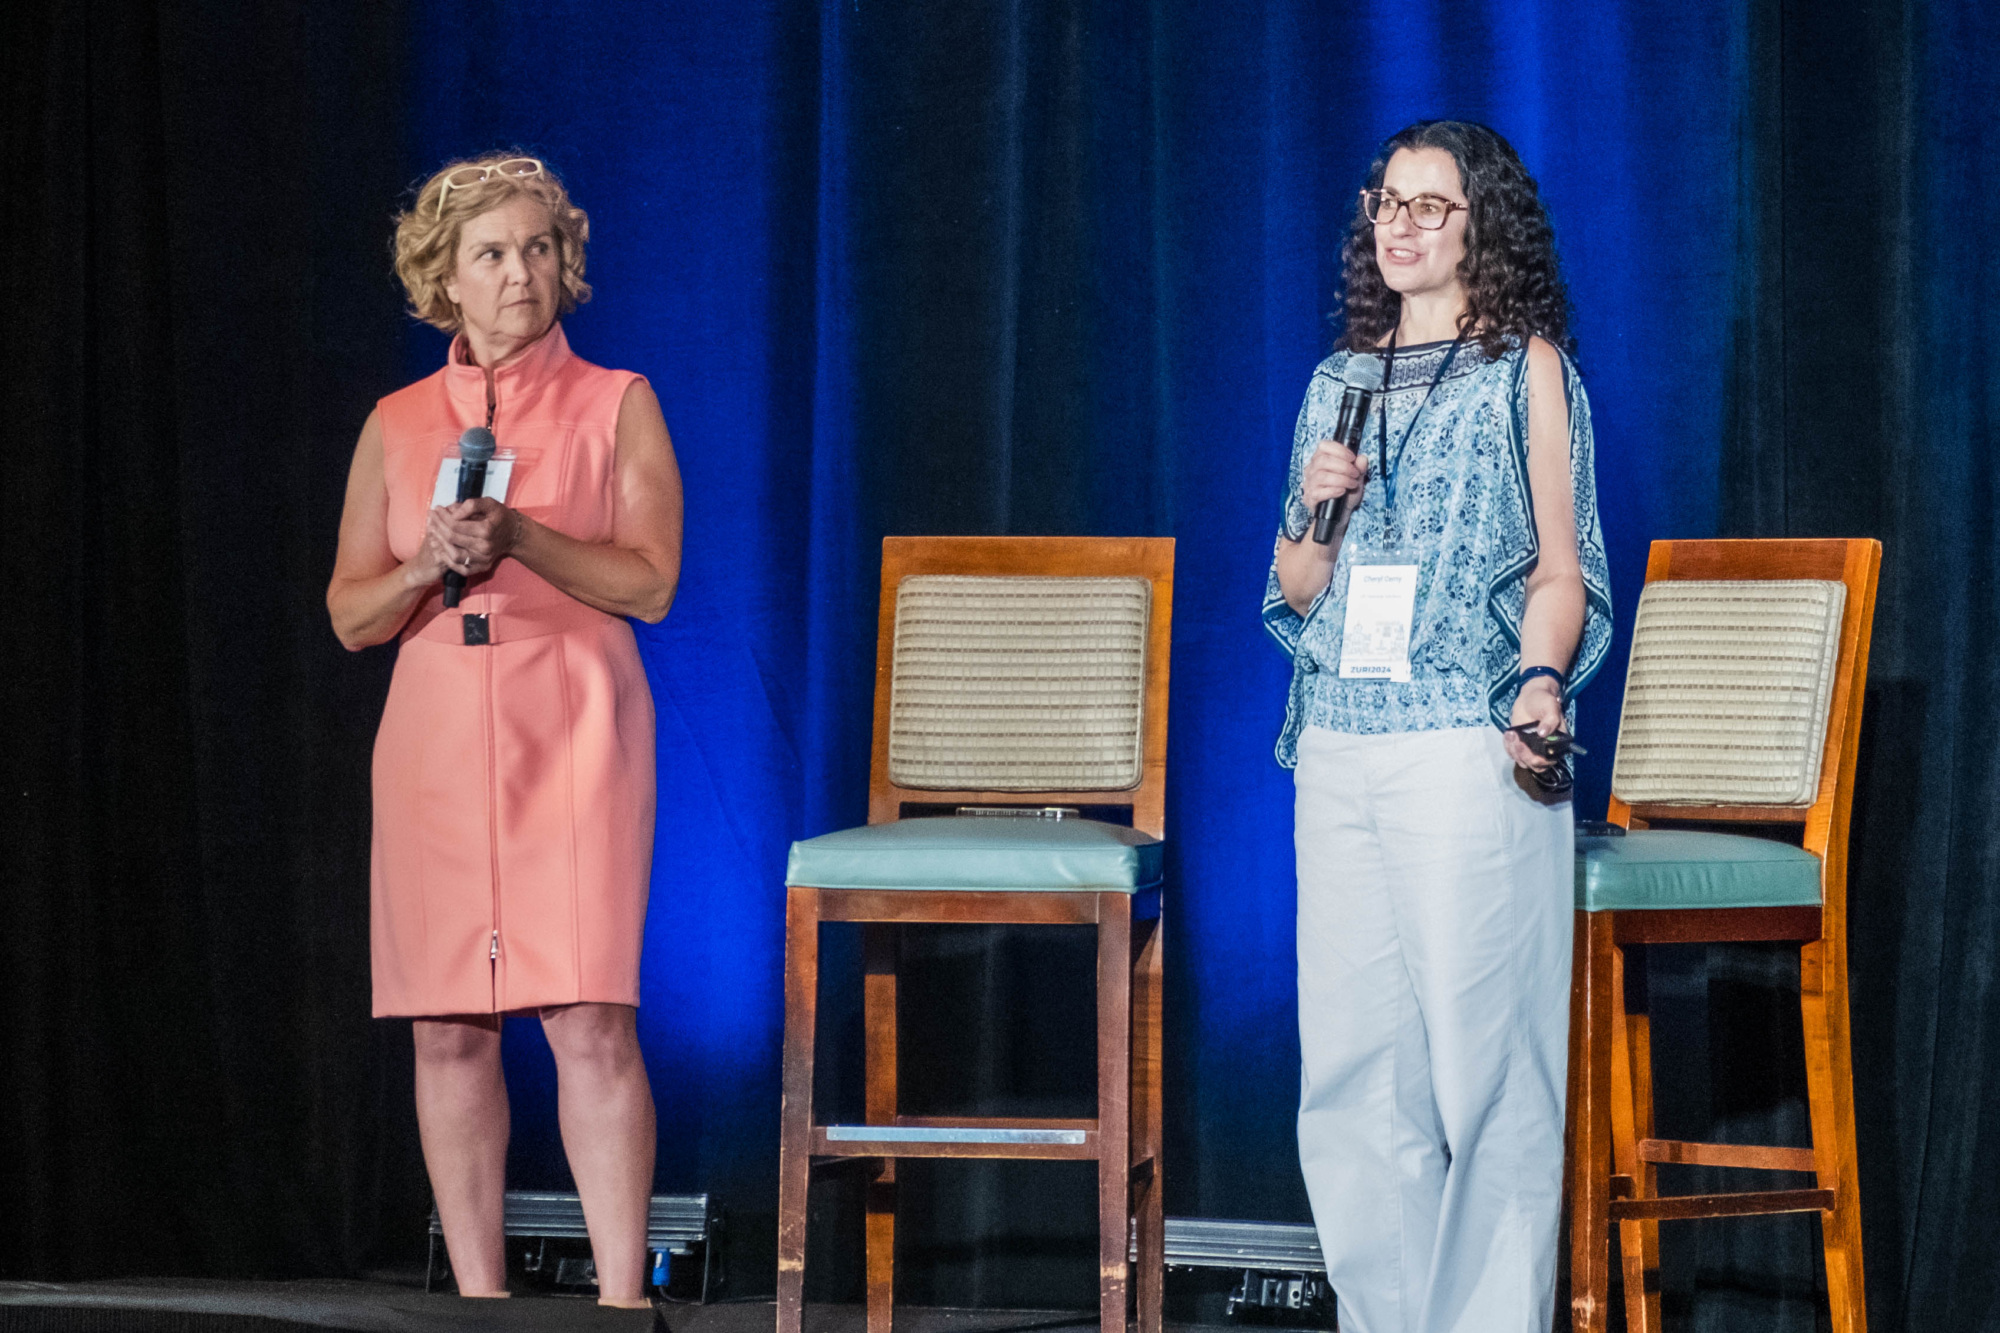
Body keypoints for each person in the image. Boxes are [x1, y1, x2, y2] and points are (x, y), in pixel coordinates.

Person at [1263, 121, 1612, 1333]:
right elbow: (1296, 588)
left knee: (1488, 1078)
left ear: (1483, 228)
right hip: (1341, 742)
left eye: (1430, 206)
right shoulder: (1337, 383)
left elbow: (1559, 571)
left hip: (1465, 744)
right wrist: (1318, 509)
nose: (1399, 225)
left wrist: (1536, 684)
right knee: (1354, 1080)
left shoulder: (1526, 368)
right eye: (1385, 203)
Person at [327, 152, 683, 1311]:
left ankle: (622, 1301)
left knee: (586, 1015)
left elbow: (650, 583)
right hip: (434, 731)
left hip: (572, 719)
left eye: (539, 248)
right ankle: (482, 1302)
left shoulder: (615, 401)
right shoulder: (394, 421)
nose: (521, 274)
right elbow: (346, 612)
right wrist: (423, 561)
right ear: (445, 278)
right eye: (492, 254)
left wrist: (523, 537)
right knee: (446, 1025)